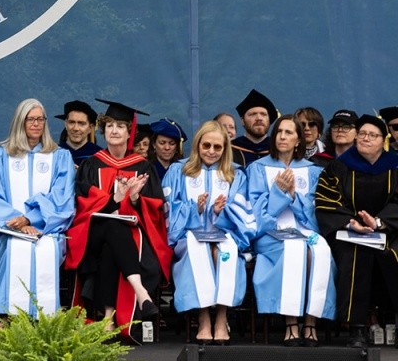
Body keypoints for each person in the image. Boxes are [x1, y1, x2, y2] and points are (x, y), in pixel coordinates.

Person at [64, 100, 171, 341]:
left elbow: (155, 211)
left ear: (129, 132)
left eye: (120, 126)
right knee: (110, 227)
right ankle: (141, 293)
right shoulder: (91, 165)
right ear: (103, 130)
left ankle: (108, 318)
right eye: (109, 125)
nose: (113, 130)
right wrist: (115, 198)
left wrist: (134, 199)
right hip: (91, 235)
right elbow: (83, 205)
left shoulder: (143, 167)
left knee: (113, 236)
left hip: (129, 237)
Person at [0, 99, 75, 323]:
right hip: (7, 230)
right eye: (31, 119)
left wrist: (31, 219)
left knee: (45, 248)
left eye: (41, 119)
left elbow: (62, 198)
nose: (37, 124)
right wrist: (16, 222)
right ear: (20, 121)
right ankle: (3, 316)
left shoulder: (59, 157)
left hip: (45, 230)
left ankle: (44, 319)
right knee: (15, 247)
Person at [246, 114, 335, 346]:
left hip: (305, 231)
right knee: (295, 249)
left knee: (321, 250)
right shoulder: (257, 169)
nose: (282, 136)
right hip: (270, 235)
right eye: (279, 132)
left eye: (289, 132)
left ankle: (311, 322)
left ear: (298, 141)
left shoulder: (313, 171)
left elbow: (317, 215)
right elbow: (256, 215)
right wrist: (278, 193)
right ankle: (291, 322)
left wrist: (294, 195)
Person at [315, 113, 398, 348]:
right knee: (354, 255)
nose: (366, 138)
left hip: (390, 231)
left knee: (392, 254)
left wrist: (379, 223)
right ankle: (356, 328)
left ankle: (392, 321)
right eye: (362, 134)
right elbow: (326, 201)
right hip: (350, 232)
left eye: (373, 135)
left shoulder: (395, 165)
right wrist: (351, 223)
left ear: (383, 139)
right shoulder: (338, 167)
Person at [163, 121, 249, 344]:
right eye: (206, 145)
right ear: (197, 145)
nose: (211, 151)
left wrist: (223, 211)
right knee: (198, 249)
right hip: (188, 235)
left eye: (217, 147)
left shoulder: (234, 174)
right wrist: (195, 209)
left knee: (226, 251)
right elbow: (168, 208)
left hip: (225, 233)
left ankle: (221, 317)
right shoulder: (179, 171)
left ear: (225, 148)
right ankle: (203, 319)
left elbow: (243, 210)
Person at [231, 88, 277, 167]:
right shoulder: (230, 150)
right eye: (253, 114)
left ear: (269, 120)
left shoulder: (278, 149)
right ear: (242, 120)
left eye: (263, 114)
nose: (259, 118)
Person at [55, 100, 101, 166]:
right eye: (72, 122)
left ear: (90, 128)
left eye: (81, 123)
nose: (76, 128)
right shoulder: (54, 153)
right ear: (66, 124)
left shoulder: (99, 156)